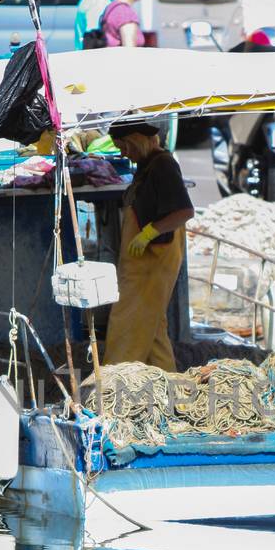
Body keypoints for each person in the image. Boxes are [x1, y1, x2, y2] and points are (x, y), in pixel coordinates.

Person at [104, 118, 194, 369]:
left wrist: (148, 233)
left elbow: (184, 211)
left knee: (128, 320)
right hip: (141, 262)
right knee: (153, 328)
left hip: (154, 261)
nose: (122, 153)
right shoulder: (146, 165)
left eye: (123, 146)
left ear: (135, 140)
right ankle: (170, 384)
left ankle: (116, 380)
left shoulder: (163, 165)